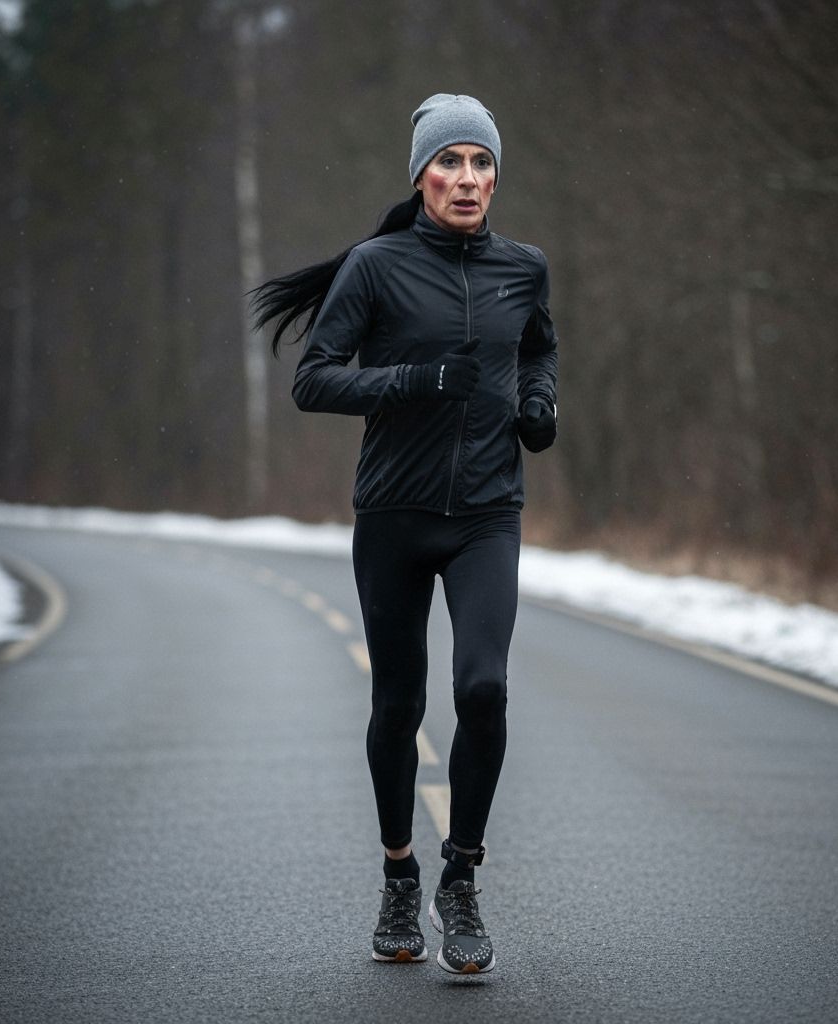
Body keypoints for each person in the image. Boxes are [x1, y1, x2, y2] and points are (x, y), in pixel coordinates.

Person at [252, 93, 558, 975]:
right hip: (393, 515)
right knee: (398, 707)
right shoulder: (376, 267)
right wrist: (417, 380)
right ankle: (399, 874)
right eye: (449, 162)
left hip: (488, 515)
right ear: (421, 175)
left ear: (495, 177)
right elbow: (314, 380)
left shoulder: (524, 268)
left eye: (481, 163)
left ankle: (460, 878)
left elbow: (538, 347)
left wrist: (539, 402)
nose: (467, 178)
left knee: (485, 689)